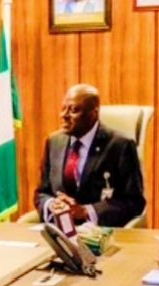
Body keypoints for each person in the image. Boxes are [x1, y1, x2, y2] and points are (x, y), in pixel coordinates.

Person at [34, 84, 145, 227]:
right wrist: (51, 205)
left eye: (73, 110)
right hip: (59, 229)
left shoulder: (120, 146)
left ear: (93, 114)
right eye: (63, 109)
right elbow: (42, 192)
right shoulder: (54, 142)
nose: (64, 115)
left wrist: (86, 211)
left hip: (101, 232)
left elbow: (134, 202)